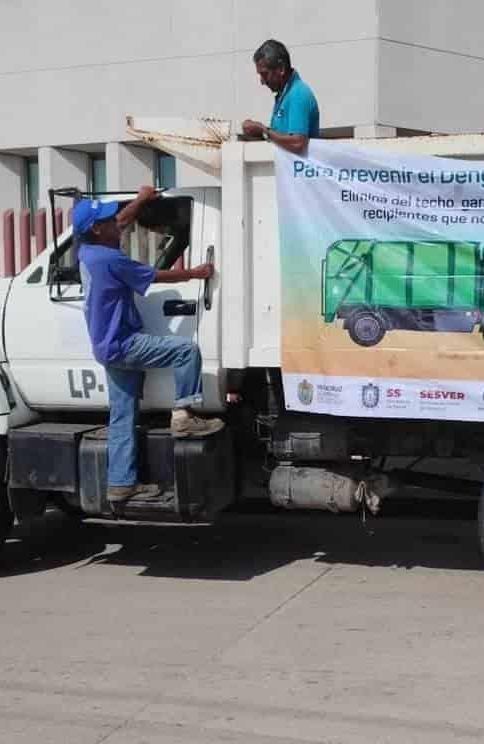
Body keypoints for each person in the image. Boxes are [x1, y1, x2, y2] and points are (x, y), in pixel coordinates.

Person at [74, 187, 224, 505]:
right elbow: (155, 276)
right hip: (123, 343)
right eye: (108, 221)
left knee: (122, 416)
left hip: (105, 346)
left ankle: (120, 484)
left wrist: (140, 201)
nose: (117, 222)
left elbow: (121, 221)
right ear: (97, 229)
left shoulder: (87, 251)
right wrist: (195, 274)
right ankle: (184, 414)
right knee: (186, 351)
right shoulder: (111, 260)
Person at [241, 39, 320, 154]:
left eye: (264, 74)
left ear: (281, 69)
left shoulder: (297, 93)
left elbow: (298, 143)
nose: (262, 81)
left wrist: (263, 130)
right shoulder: (285, 94)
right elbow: (281, 140)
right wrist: (257, 132)